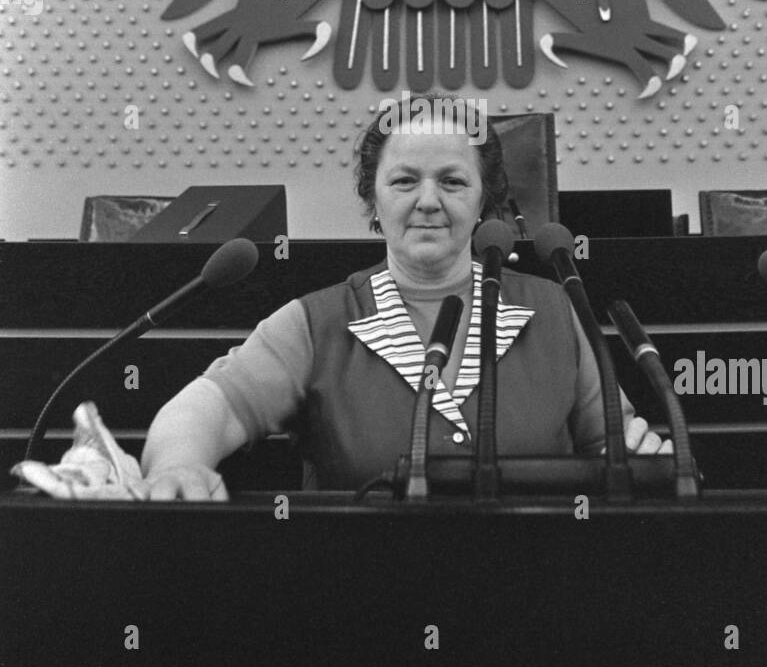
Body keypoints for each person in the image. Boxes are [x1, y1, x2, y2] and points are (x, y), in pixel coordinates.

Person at [142, 96, 670, 498]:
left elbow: (611, 446)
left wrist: (639, 456)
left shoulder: (554, 310)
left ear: (486, 196)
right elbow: (205, 409)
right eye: (404, 181)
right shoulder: (317, 322)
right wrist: (178, 465)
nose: (428, 201)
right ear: (373, 194)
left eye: (453, 181)